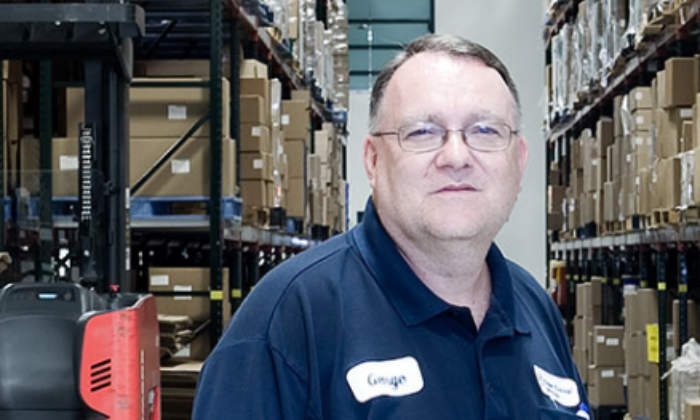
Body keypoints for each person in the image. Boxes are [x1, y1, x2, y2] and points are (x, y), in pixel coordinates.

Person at [192, 34, 589, 419]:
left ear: (519, 161)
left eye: (485, 131)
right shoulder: (287, 322)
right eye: (423, 132)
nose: (456, 156)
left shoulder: (535, 309)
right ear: (373, 160)